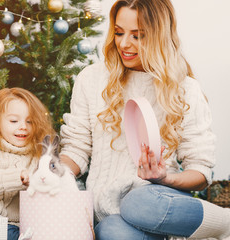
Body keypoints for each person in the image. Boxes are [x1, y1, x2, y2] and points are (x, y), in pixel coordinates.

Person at [59, 0, 230, 239]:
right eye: (119, 32)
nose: (124, 44)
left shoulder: (185, 89)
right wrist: (52, 173)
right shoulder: (91, 79)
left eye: (137, 36)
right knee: (109, 230)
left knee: (136, 201)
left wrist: (165, 178)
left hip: (155, 204)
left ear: (159, 36)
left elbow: (200, 172)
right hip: (108, 213)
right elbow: (76, 147)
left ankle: (225, 223)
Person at [0, 87, 55, 240]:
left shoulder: (37, 156)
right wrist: (17, 177)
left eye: (30, 121)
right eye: (14, 121)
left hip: (17, 226)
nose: (23, 126)